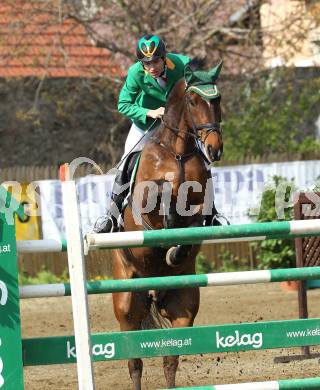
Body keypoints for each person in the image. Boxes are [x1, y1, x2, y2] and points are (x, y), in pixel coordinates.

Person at [94, 34, 223, 233]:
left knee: (204, 160)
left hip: (178, 124)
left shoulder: (182, 65)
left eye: (155, 61)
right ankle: (111, 215)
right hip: (147, 123)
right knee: (126, 160)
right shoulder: (136, 73)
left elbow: (201, 85)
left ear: (164, 57)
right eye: (146, 63)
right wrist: (149, 112)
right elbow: (123, 104)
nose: (151, 67)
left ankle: (212, 213)